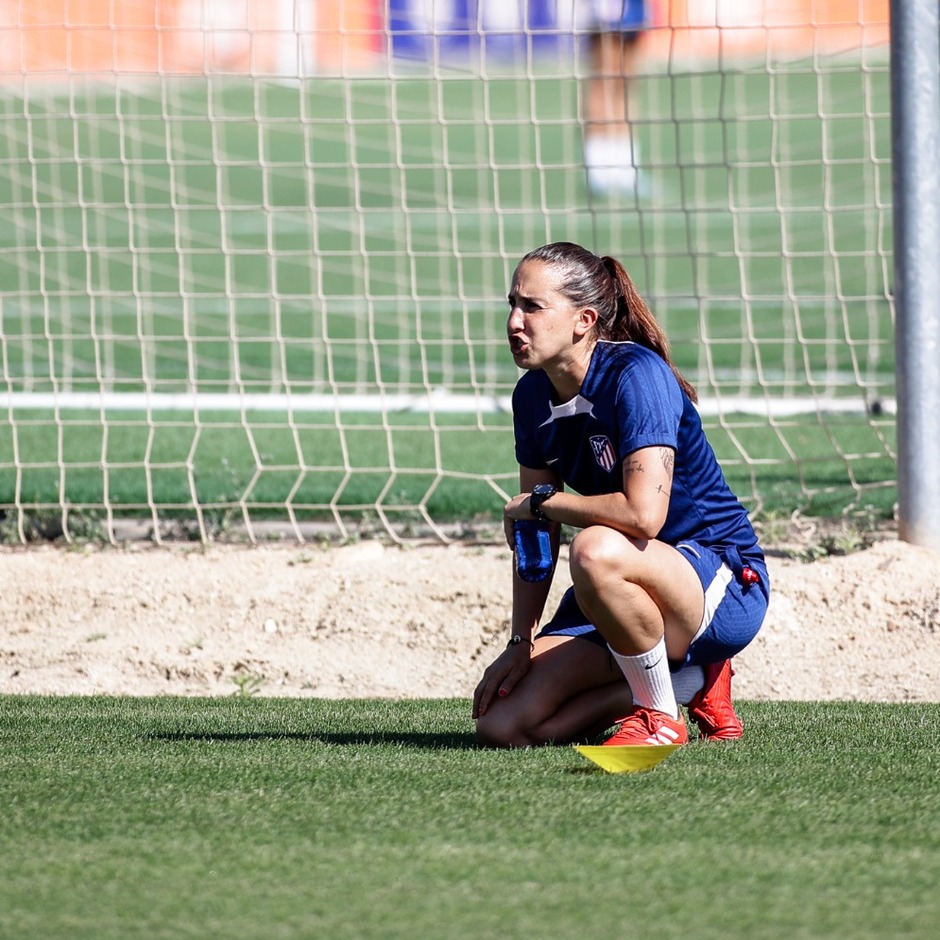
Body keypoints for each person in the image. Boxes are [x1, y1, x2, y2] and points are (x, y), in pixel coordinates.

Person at [472, 242, 770, 748]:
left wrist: (541, 504)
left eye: (532, 307)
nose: (514, 322)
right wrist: (521, 640)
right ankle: (688, 681)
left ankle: (659, 715)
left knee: (594, 549)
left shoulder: (637, 375)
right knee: (503, 724)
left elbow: (641, 516)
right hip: (619, 590)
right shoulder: (531, 395)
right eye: (512, 304)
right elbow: (536, 535)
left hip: (720, 581)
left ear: (583, 319)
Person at [581, 1, 650, 196]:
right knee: (604, 78)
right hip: (607, 8)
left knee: (626, 81)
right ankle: (598, 169)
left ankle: (626, 167)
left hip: (635, 7)